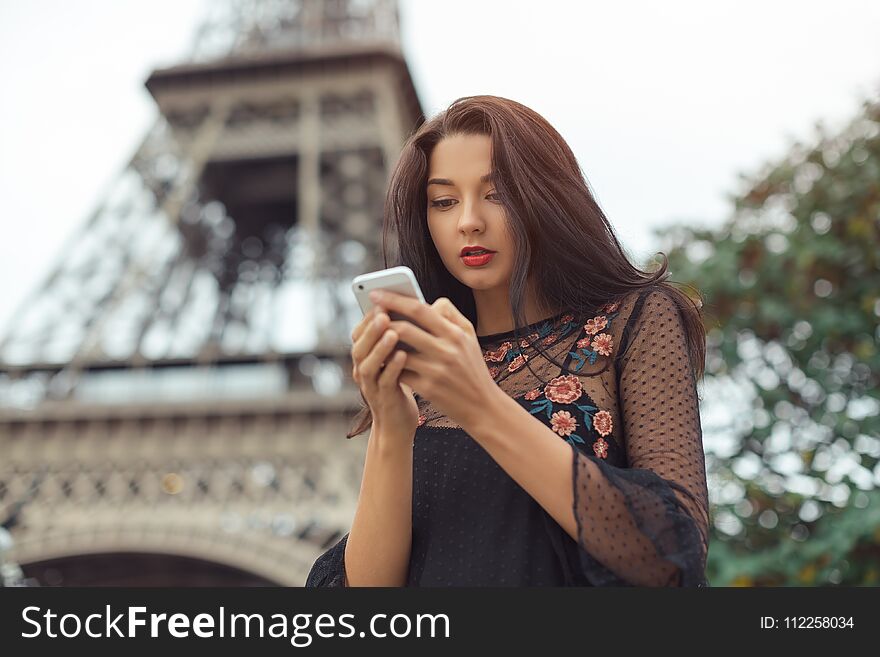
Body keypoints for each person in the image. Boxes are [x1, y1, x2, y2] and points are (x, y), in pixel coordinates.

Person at [305, 95, 710, 587]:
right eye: (444, 201)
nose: (468, 220)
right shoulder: (431, 365)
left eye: (496, 194)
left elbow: (670, 557)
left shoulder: (633, 319)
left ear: (547, 198)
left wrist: (478, 403)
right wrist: (392, 428)